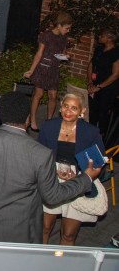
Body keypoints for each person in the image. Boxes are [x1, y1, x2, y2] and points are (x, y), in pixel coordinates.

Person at [0, 91, 101, 243]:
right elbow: (53, 196)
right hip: (18, 227)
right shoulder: (40, 153)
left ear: (0, 114)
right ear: (27, 119)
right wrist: (85, 179)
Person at [40, 93, 105, 246]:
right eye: (66, 106)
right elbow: (39, 154)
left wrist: (80, 176)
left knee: (68, 234)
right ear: (61, 107)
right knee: (44, 227)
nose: (68, 111)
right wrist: (51, 170)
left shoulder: (90, 132)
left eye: (74, 108)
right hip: (52, 178)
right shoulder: (49, 126)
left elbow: (98, 162)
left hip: (77, 180)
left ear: (82, 111)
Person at [25, 11, 73, 131]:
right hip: (42, 68)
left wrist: (65, 56)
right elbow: (39, 53)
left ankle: (49, 122)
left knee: (53, 96)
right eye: (67, 28)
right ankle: (33, 120)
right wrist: (31, 70)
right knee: (39, 94)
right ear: (59, 25)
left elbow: (62, 52)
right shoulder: (46, 35)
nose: (68, 30)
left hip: (54, 69)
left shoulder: (64, 37)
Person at [87, 28, 119, 137]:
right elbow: (91, 65)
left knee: (103, 113)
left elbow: (115, 74)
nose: (100, 36)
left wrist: (99, 87)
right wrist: (90, 82)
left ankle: (100, 136)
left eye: (103, 35)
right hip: (95, 85)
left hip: (108, 88)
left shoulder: (116, 53)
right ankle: (90, 134)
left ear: (110, 39)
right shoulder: (99, 49)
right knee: (92, 112)